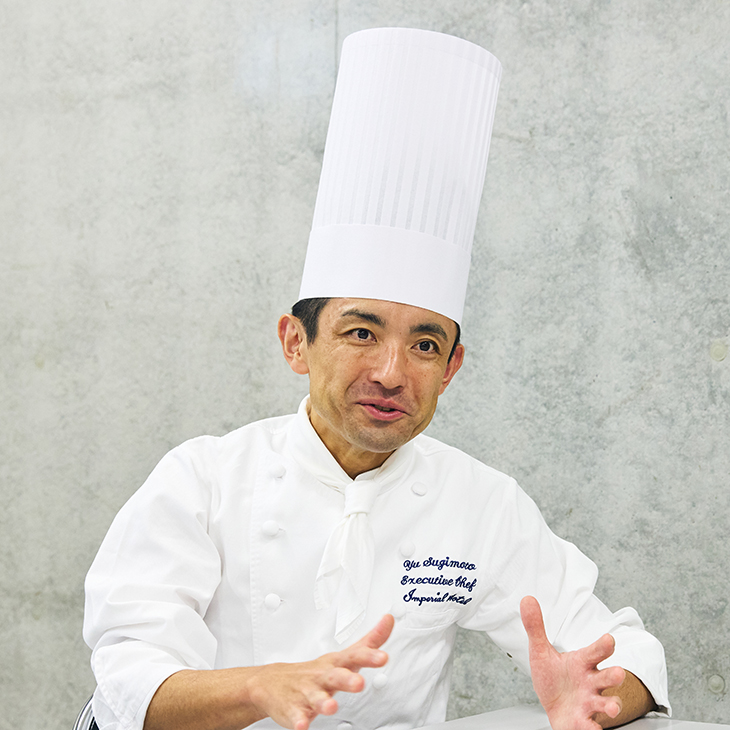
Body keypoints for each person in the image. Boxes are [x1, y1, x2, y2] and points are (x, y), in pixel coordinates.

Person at [83, 28, 670, 730]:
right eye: (361, 333)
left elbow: (623, 650)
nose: (391, 373)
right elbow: (130, 682)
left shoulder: (477, 503)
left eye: (424, 344)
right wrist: (262, 688)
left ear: (450, 369)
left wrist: (600, 698)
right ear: (296, 343)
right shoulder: (203, 481)